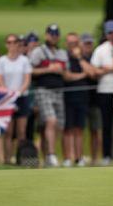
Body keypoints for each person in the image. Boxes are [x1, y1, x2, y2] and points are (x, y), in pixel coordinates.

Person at [30, 24, 68, 167]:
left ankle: (47, 155)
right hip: (43, 90)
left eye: (56, 34)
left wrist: (61, 71)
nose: (53, 37)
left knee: (59, 125)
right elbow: (31, 71)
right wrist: (49, 69)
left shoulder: (62, 53)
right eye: (51, 34)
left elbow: (66, 73)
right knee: (51, 120)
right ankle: (51, 155)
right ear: (46, 35)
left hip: (59, 91)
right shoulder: (38, 52)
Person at [0, 34, 32, 164]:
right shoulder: (2, 61)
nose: (12, 45)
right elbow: (0, 79)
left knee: (21, 131)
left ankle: (20, 158)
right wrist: (8, 93)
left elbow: (27, 79)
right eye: (9, 42)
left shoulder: (24, 60)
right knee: (8, 131)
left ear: (18, 44)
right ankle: (7, 158)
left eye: (14, 42)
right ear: (6, 44)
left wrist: (18, 92)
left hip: (21, 97)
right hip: (7, 99)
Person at [91, 20, 113, 165]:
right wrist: (107, 69)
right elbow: (94, 71)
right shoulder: (100, 50)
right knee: (106, 124)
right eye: (109, 32)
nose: (111, 35)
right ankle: (107, 155)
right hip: (104, 91)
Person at [62, 32, 95, 167]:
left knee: (79, 129)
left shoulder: (84, 57)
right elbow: (67, 76)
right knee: (68, 129)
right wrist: (82, 75)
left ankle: (79, 157)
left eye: (75, 43)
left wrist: (80, 58)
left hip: (82, 98)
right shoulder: (63, 57)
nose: (73, 46)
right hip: (67, 98)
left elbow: (92, 73)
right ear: (66, 44)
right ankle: (68, 158)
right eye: (71, 43)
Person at [80, 33, 101, 165]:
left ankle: (94, 158)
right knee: (79, 130)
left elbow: (93, 74)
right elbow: (93, 72)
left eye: (90, 43)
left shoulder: (96, 57)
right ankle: (80, 156)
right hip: (80, 99)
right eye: (86, 43)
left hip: (95, 99)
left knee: (95, 130)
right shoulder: (78, 57)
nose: (88, 46)